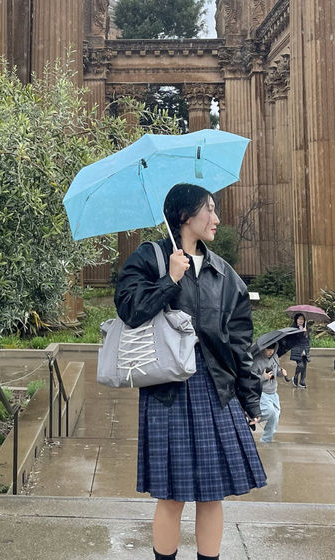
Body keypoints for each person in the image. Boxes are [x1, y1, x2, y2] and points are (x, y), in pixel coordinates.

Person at [115, 183, 266, 560]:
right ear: (185, 216)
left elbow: (240, 346)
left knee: (212, 494)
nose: (216, 218)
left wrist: (251, 404)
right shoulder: (149, 258)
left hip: (215, 388)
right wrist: (169, 280)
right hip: (167, 390)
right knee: (171, 495)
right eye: (208, 210)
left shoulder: (224, 274)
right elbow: (130, 311)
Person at [251, 342, 287, 442]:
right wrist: (263, 377)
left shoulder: (275, 356)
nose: (270, 352)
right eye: (268, 349)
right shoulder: (257, 360)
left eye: (272, 350)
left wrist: (281, 372)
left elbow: (277, 370)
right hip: (262, 391)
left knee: (275, 416)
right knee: (268, 411)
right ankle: (251, 420)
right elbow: (251, 378)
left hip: (273, 391)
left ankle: (266, 440)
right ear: (263, 348)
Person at [288, 313, 311, 388]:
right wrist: (301, 332)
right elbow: (293, 339)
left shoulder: (305, 327)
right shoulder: (293, 328)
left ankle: (302, 381)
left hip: (305, 349)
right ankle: (295, 377)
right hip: (297, 349)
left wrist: (306, 349)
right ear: (296, 320)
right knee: (300, 365)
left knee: (304, 366)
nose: (301, 320)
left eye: (302, 319)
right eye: (299, 319)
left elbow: (307, 339)